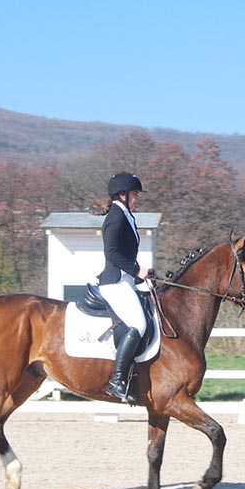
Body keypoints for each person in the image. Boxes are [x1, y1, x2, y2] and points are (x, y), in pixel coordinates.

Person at [97, 171, 151, 404]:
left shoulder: (126, 215)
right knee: (139, 324)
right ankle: (117, 380)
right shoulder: (116, 216)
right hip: (115, 282)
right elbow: (111, 252)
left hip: (125, 280)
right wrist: (136, 270)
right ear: (122, 194)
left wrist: (141, 274)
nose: (137, 198)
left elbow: (126, 252)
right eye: (135, 194)